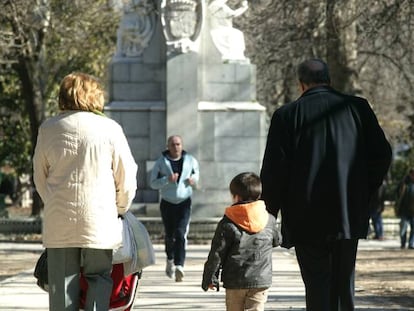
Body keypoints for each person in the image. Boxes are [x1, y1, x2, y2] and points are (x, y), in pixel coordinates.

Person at [260, 59, 392, 311]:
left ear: (301, 84)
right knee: (344, 284)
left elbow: (275, 171)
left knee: (317, 284)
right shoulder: (358, 108)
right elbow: (382, 155)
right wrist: (365, 191)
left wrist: (269, 214)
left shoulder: (286, 115)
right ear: (329, 80)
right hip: (346, 212)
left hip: (305, 215)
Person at [33, 72, 138, 311]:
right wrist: (120, 207)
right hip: (99, 216)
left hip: (60, 216)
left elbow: (40, 177)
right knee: (99, 278)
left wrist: (54, 201)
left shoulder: (48, 128)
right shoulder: (110, 128)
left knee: (61, 283)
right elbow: (126, 176)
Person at [201, 172, 281, 311]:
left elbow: (217, 254)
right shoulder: (269, 220)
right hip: (260, 279)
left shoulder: (228, 223)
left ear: (236, 197)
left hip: (234, 281)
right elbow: (277, 240)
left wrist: (210, 278)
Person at [150, 135, 199, 282]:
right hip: (167, 202)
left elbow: (196, 175)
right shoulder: (161, 162)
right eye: (172, 144)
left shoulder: (190, 160)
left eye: (178, 144)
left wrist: (193, 180)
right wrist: (167, 180)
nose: (175, 147)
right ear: (168, 146)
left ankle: (179, 266)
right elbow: (153, 183)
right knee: (170, 235)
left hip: (184, 202)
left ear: (182, 146)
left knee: (180, 233)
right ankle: (170, 259)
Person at [395, 169, 414, 249]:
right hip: (404, 210)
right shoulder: (404, 183)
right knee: (403, 228)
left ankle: (411, 244)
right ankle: (403, 243)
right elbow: (397, 195)